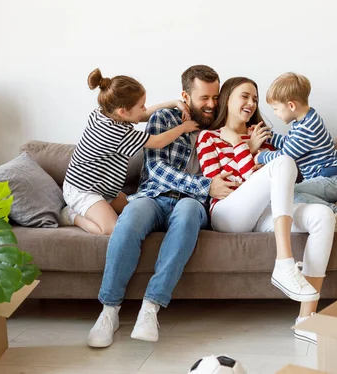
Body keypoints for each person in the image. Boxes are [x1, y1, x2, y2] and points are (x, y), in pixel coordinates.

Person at [87, 65, 238, 348]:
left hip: (192, 203)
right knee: (130, 218)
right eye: (204, 97)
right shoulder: (164, 118)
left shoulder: (221, 124)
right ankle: (109, 310)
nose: (211, 104)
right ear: (185, 95)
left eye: (215, 97)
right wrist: (206, 185)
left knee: (190, 214)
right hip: (154, 195)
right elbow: (156, 168)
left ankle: (151, 307)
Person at [197, 77, 336, 344]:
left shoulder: (261, 135)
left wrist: (246, 153)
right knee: (282, 162)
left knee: (323, 216)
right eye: (244, 96)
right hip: (228, 213)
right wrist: (244, 150)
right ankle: (284, 262)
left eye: (255, 99)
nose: (251, 103)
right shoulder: (208, 137)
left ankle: (307, 319)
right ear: (227, 99)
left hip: (265, 213)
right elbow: (222, 185)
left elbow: (278, 181)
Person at [60, 68, 199, 235]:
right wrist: (184, 128)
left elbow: (143, 115)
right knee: (111, 229)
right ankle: (71, 215)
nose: (145, 108)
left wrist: (175, 103)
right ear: (123, 111)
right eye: (141, 106)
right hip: (82, 190)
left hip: (103, 187)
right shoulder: (116, 134)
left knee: (132, 212)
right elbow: (159, 141)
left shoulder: (103, 113)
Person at [258, 72, 337, 232]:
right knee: (292, 191)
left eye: (276, 109)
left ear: (291, 105)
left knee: (290, 191)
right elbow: (289, 143)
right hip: (327, 181)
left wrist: (261, 156)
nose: (276, 114)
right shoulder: (304, 121)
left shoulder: (308, 127)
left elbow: (285, 155)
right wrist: (268, 137)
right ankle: (333, 205)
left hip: (332, 180)